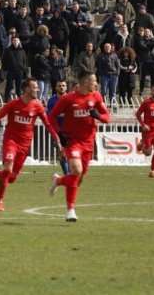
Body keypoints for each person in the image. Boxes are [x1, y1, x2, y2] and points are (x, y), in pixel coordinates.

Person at [0, 79, 60, 212]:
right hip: (11, 141)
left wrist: (58, 140)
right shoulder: (13, 104)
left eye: (37, 87)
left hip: (25, 146)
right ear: (26, 89)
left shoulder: (38, 106)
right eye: (34, 87)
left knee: (11, 178)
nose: (37, 89)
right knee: (7, 170)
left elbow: (48, 124)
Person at [47, 73, 111, 222]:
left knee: (78, 179)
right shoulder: (68, 98)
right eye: (94, 81)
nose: (96, 84)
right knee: (76, 170)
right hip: (73, 141)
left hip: (88, 142)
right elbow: (51, 116)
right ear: (85, 82)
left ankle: (59, 181)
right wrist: (60, 134)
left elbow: (107, 118)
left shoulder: (96, 97)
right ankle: (70, 210)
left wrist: (98, 116)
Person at [46, 80, 69, 174]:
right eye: (59, 85)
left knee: (71, 152)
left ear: (66, 87)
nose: (61, 87)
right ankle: (67, 173)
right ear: (55, 88)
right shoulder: (51, 101)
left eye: (63, 85)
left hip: (70, 130)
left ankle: (70, 173)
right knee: (62, 152)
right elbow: (50, 117)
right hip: (57, 130)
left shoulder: (70, 99)